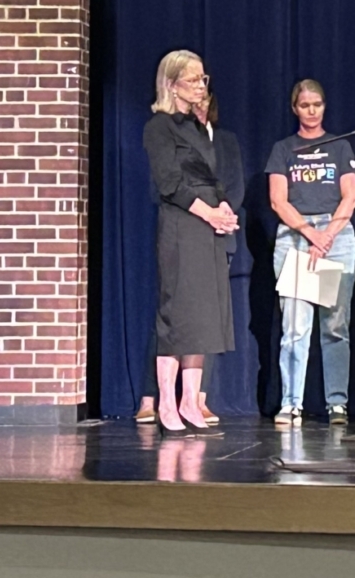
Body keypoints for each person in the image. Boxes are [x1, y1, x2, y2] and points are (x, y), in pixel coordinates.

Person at [142, 49, 237, 437]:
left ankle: (189, 400)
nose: (201, 86)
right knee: (178, 314)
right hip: (183, 223)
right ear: (172, 85)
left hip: (208, 224)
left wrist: (224, 208)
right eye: (193, 80)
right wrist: (208, 212)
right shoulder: (159, 127)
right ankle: (166, 401)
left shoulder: (199, 129)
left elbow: (214, 177)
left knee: (203, 317)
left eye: (203, 79)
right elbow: (169, 183)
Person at [266, 79, 355, 427]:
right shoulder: (284, 149)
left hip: (336, 235)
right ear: (295, 108)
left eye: (317, 105)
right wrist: (309, 234)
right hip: (297, 235)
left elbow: (350, 196)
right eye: (304, 105)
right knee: (295, 327)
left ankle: (337, 403)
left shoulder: (339, 147)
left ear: (324, 107)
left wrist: (328, 235)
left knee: (335, 326)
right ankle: (292, 404)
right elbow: (278, 199)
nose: (311, 111)